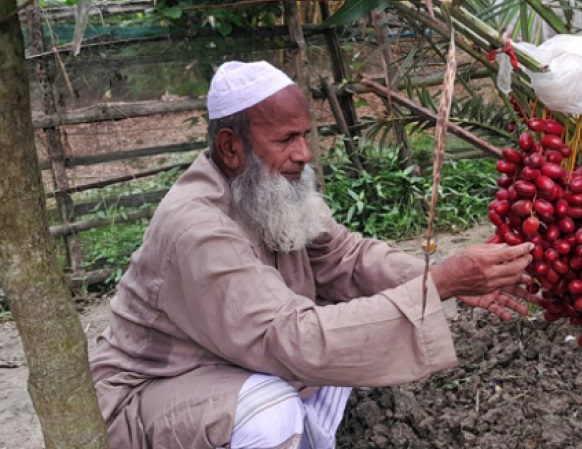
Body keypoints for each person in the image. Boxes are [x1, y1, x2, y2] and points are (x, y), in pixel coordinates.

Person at [90, 61, 535, 449]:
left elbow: (348, 259)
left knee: (347, 329)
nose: (304, 154)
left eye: (306, 135)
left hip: (227, 368)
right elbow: (288, 339)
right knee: (272, 413)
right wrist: (443, 285)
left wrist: (437, 277)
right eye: (286, 139)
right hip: (150, 396)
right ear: (230, 146)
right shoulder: (198, 228)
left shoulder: (263, 190)